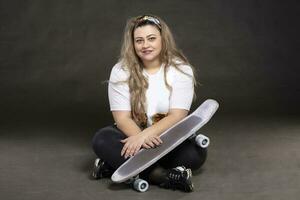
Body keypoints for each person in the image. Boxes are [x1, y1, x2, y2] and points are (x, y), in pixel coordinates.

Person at [91, 14, 207, 192]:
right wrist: (140, 138)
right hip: (133, 134)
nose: (145, 45)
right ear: (133, 44)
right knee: (102, 139)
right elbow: (122, 118)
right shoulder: (121, 70)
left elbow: (178, 115)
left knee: (194, 155)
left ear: (163, 40)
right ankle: (164, 176)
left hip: (168, 137)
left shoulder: (181, 69)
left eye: (151, 38)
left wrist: (147, 136)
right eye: (139, 40)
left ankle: (115, 166)